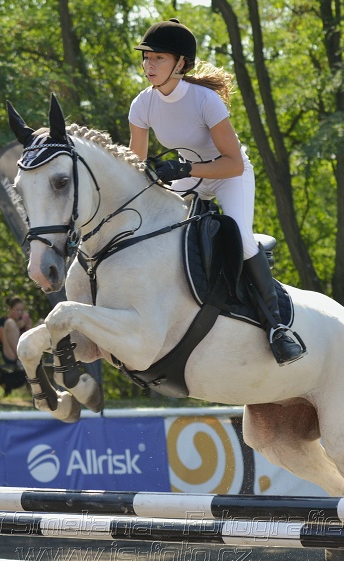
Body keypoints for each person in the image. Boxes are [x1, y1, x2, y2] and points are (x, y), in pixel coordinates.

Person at [128, 18, 305, 365]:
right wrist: (149, 172)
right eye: (146, 58)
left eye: (158, 58)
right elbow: (135, 162)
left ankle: (277, 327)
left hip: (227, 175)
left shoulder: (205, 100)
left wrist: (185, 169)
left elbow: (233, 164)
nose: (149, 65)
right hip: (187, 176)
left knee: (240, 238)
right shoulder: (142, 104)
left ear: (180, 63)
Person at [0, 296, 35, 396]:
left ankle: (25, 358)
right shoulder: (3, 321)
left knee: (41, 322)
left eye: (21, 310)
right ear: (10, 309)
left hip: (24, 351)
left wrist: (28, 326)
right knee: (10, 323)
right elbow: (3, 339)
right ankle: (20, 358)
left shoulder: (23, 320)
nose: (20, 313)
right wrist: (17, 326)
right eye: (17, 310)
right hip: (10, 352)